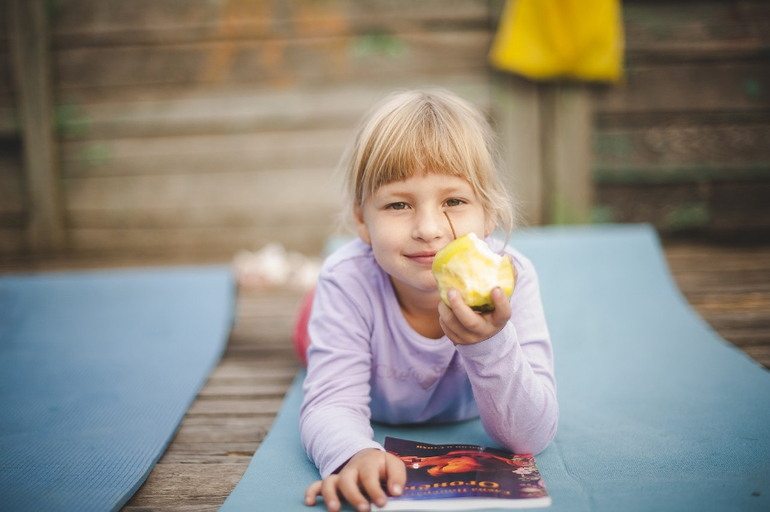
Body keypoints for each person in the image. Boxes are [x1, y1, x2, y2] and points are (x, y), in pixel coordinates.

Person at [300, 89, 558, 512]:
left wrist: (487, 343)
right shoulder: (347, 280)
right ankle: (309, 312)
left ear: (489, 213)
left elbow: (530, 436)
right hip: (346, 301)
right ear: (362, 220)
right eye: (398, 204)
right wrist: (353, 454)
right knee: (306, 339)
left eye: (453, 201)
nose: (429, 229)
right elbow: (330, 403)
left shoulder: (513, 277)